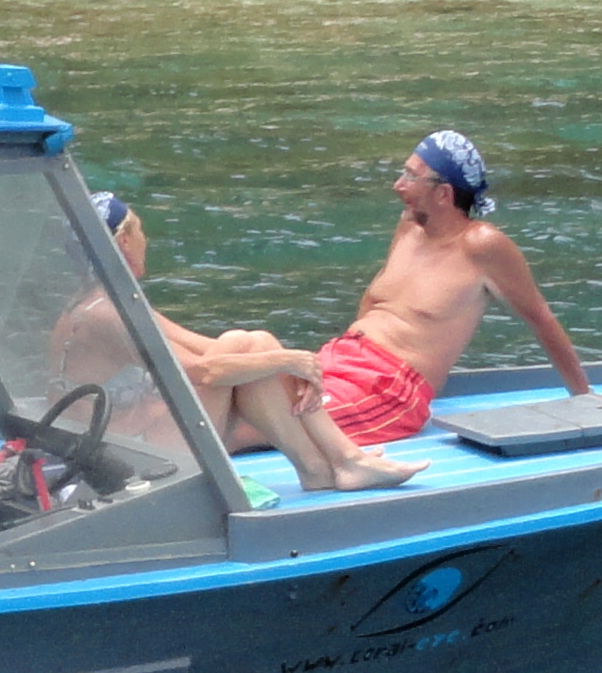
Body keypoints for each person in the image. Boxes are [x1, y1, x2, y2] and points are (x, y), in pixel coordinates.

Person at [71, 191, 411, 493]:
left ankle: (337, 461)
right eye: (141, 229)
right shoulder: (105, 315)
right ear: (124, 243)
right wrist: (288, 362)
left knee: (249, 343)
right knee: (242, 350)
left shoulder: (107, 302)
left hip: (129, 446)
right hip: (126, 462)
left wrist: (284, 358)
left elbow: (205, 348)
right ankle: (331, 464)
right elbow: (203, 372)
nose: (147, 239)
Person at [316, 130, 588, 451]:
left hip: (388, 389)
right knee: (249, 379)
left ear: (444, 194)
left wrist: (585, 398)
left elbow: (540, 318)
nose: (398, 185)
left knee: (268, 414)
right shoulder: (409, 226)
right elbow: (375, 301)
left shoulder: (482, 246)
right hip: (337, 361)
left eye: (410, 176)